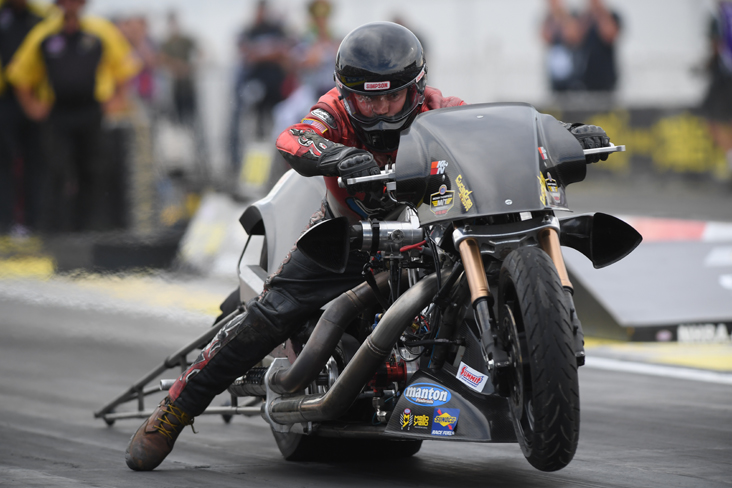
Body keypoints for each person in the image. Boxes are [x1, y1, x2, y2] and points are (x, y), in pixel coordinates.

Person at [124, 21, 611, 472]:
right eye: (366, 99)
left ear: (415, 88)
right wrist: (336, 155)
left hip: (433, 234)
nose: (379, 109)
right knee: (271, 312)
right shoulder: (334, 110)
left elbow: (498, 134)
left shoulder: (442, 110)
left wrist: (565, 136)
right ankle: (174, 411)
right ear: (347, 93)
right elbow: (294, 137)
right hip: (350, 234)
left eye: (392, 97)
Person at [7, 0, 140, 233]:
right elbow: (19, 73)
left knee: (95, 169)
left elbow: (127, 65)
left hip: (92, 111)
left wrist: (118, 99)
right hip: (58, 112)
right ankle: (57, 230)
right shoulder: (44, 33)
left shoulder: (100, 30)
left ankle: (94, 227)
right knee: (56, 170)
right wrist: (31, 105)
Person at [0, 0, 54, 235]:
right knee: (4, 161)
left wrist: (44, 99)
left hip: (36, 100)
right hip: (4, 99)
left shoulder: (42, 18)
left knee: (37, 161)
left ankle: (36, 221)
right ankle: (5, 222)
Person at [229, 0, 290, 169]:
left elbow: (284, 51)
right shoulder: (250, 30)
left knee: (280, 128)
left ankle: (281, 167)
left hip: (276, 89)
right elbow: (246, 54)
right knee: (258, 132)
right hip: (259, 90)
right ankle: (257, 170)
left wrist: (261, 52)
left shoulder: (277, 29)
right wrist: (269, 52)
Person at [700, 1, 732, 178]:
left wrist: (707, 65)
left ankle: (730, 158)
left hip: (724, 77)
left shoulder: (720, 17)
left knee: (713, 119)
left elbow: (716, 46)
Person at [575, 0, 621, 92]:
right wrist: (589, 15)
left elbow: (609, 35)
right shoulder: (583, 17)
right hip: (585, 77)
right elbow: (575, 38)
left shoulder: (612, 16)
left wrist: (600, 13)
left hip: (607, 76)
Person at [541, 0, 583, 93]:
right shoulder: (549, 19)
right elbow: (545, 37)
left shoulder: (571, 15)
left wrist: (562, 15)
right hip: (555, 71)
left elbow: (572, 35)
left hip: (571, 69)